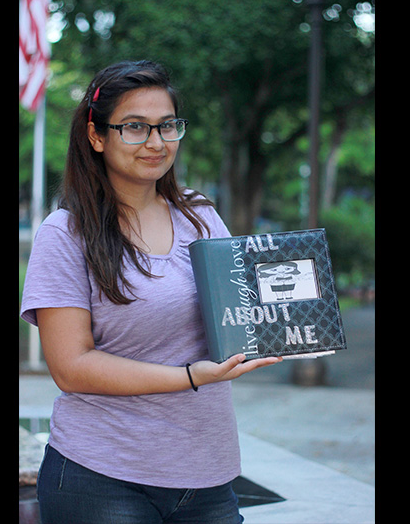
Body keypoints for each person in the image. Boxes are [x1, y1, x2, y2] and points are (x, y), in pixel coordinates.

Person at [20, 60, 282, 524]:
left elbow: (240, 310)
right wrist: (191, 375)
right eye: (135, 127)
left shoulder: (200, 216)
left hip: (207, 472)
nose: (156, 143)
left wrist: (292, 320)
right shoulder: (65, 234)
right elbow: (71, 368)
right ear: (97, 136)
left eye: (167, 126)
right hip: (100, 475)